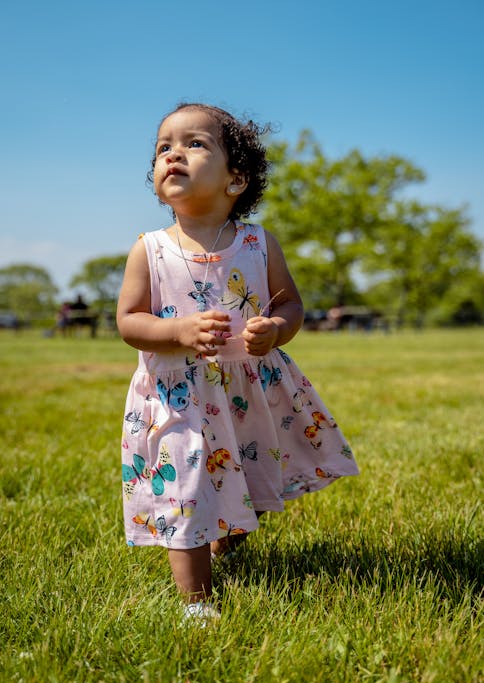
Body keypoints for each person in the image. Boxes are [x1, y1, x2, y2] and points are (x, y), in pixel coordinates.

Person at [117, 103, 359, 624]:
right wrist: (177, 331)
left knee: (240, 472)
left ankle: (228, 534)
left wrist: (275, 329)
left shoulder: (257, 243)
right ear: (157, 180)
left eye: (195, 143)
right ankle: (197, 603)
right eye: (163, 148)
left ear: (236, 179)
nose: (173, 153)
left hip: (245, 387)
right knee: (185, 484)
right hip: (178, 393)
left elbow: (290, 304)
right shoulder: (150, 250)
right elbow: (129, 321)